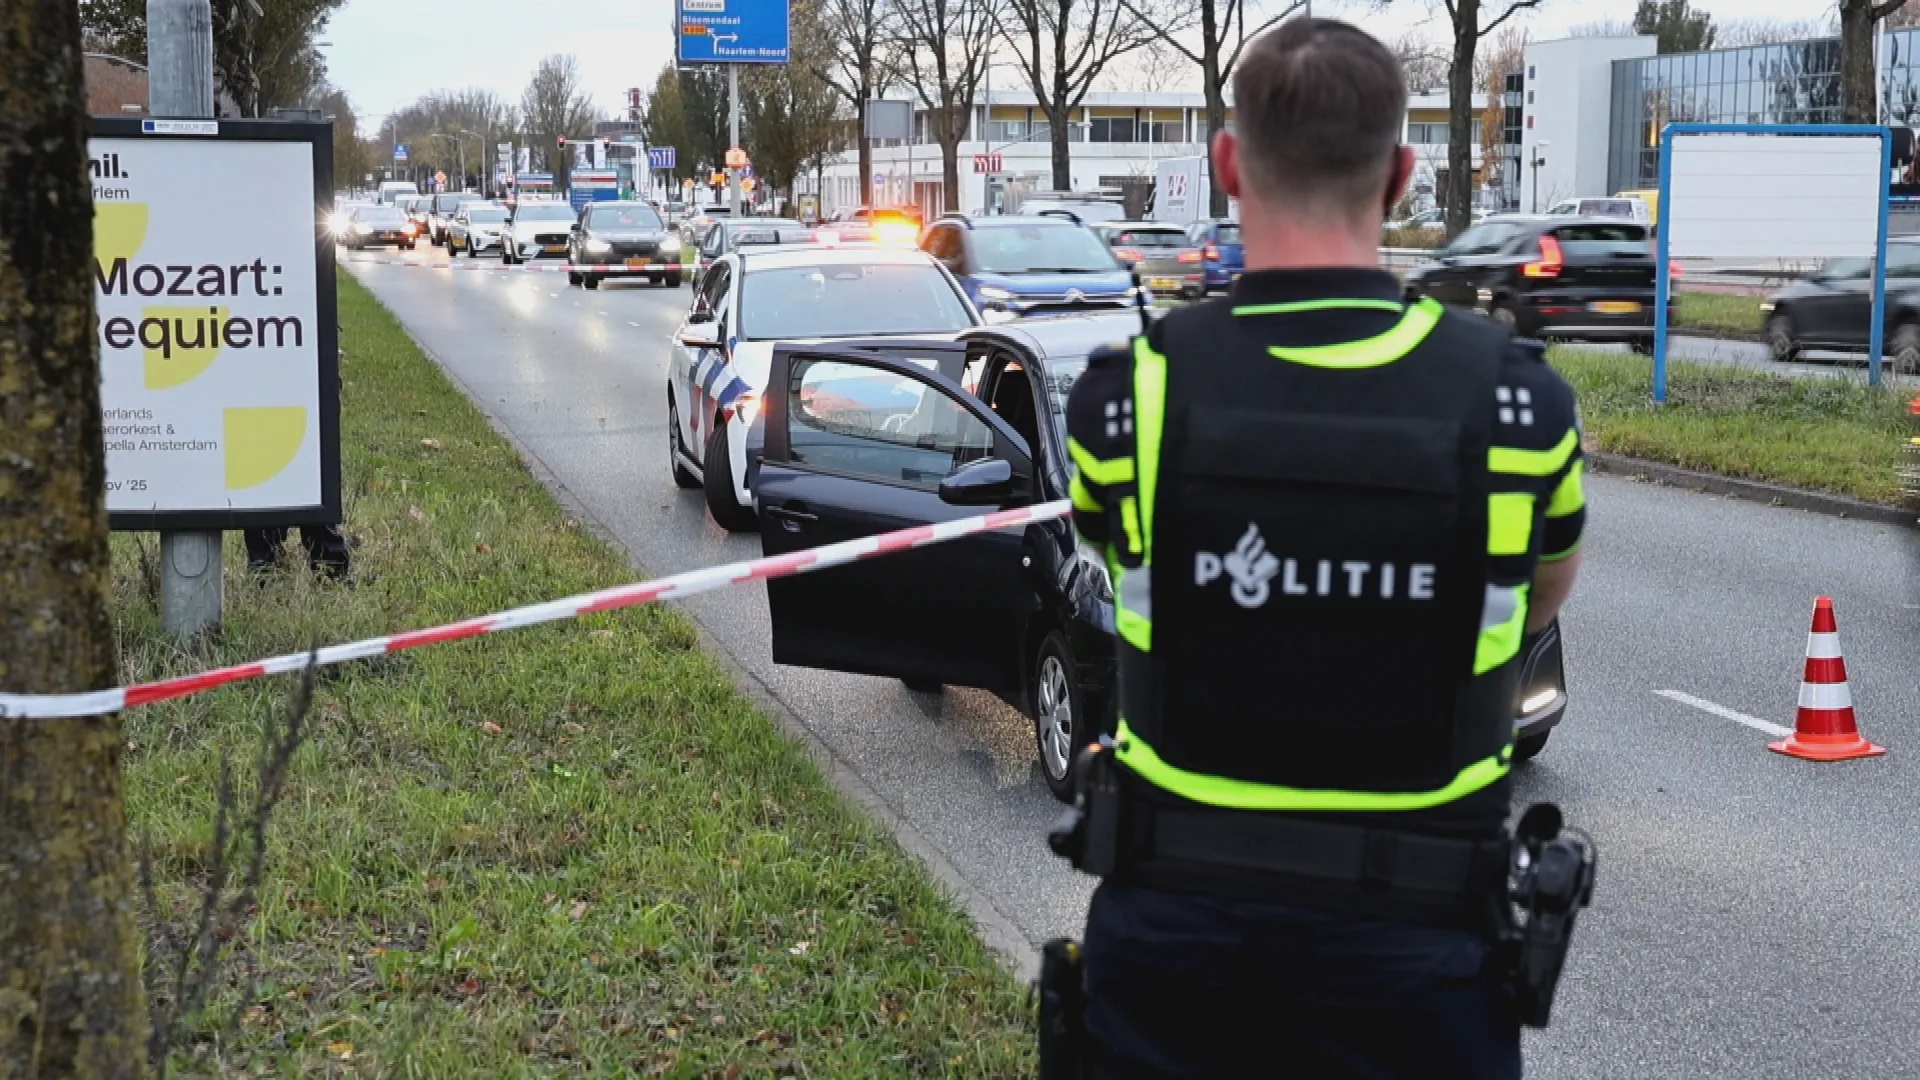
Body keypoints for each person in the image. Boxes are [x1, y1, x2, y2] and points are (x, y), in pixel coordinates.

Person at [1059, 18, 1586, 1079]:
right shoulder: (1521, 407)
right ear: (1400, 175)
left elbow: (1122, 571)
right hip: (1420, 966)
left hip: (1178, 958)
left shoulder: (1126, 398)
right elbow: (1534, 603)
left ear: (1227, 166)